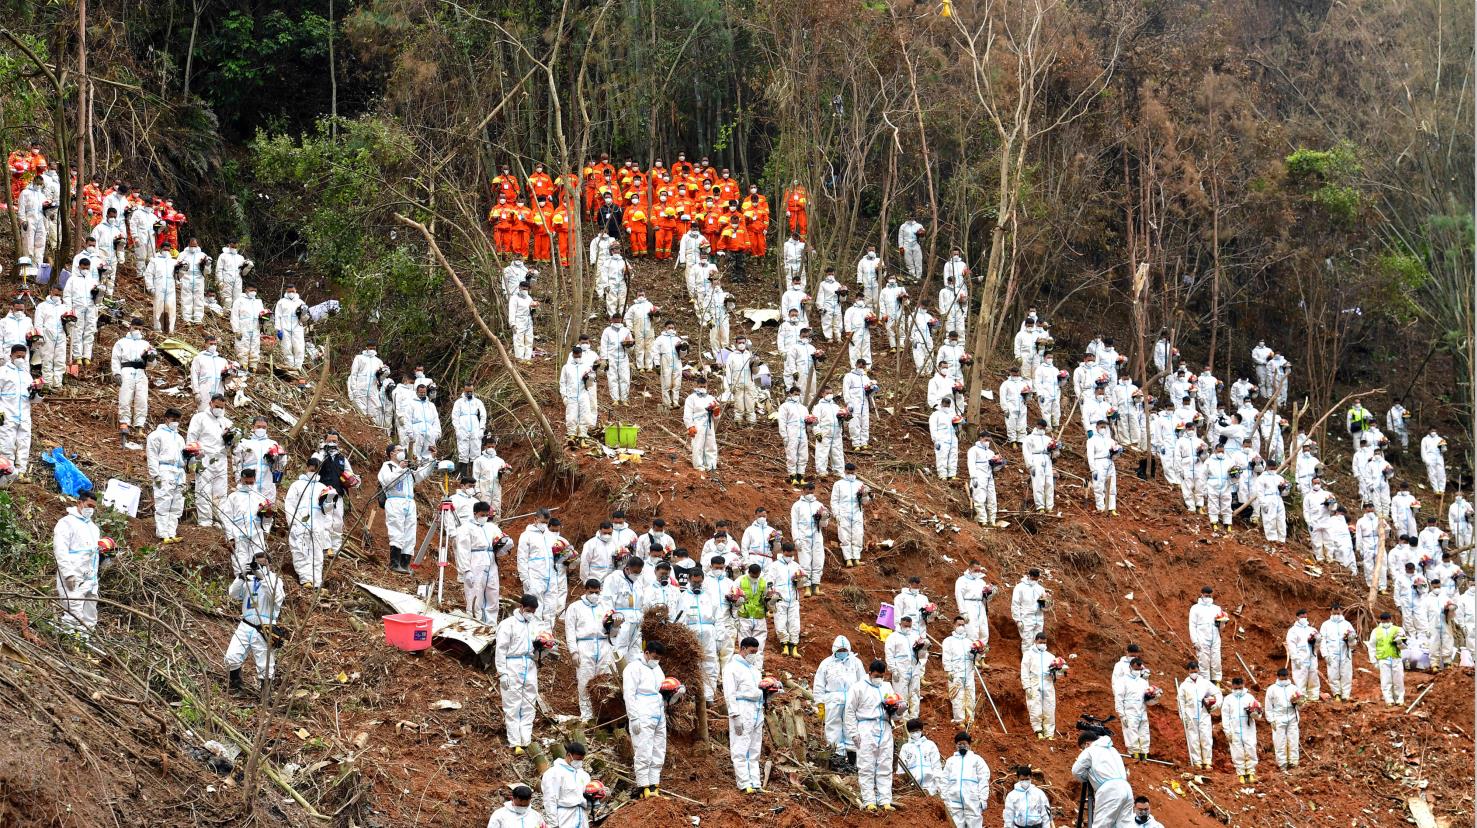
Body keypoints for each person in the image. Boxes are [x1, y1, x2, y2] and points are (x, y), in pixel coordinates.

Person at [225, 550, 285, 694]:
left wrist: (263, 577)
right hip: (245, 624)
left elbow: (276, 598)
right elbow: (233, 594)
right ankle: (236, 686)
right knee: (231, 657)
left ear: (269, 565)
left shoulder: (275, 580)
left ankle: (265, 695)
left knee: (265, 665)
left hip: (264, 626)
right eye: (256, 564)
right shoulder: (249, 581)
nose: (259, 567)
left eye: (263, 564)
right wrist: (241, 577)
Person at [624, 639, 677, 798]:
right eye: (654, 656)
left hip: (658, 713)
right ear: (646, 653)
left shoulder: (657, 669)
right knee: (643, 751)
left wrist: (674, 694)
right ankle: (643, 786)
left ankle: (654, 785)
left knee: (658, 750)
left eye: (659, 658)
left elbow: (661, 692)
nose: (656, 660)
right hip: (642, 714)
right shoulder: (633, 668)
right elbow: (629, 694)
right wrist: (633, 717)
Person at [844, 658, 897, 812]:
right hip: (866, 727)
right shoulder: (858, 688)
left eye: (881, 676)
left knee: (885, 764)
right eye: (876, 675)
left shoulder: (887, 687)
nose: (878, 679)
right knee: (866, 765)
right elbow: (849, 711)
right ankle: (869, 801)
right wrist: (853, 732)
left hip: (885, 726)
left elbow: (893, 709)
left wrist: (897, 711)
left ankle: (885, 800)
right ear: (869, 673)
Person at [494, 595, 542, 754]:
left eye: (533, 611)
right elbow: (500, 650)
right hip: (512, 664)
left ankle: (526, 739)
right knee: (512, 704)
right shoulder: (508, 625)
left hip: (529, 664)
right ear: (521, 607)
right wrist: (502, 673)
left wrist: (543, 648)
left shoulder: (534, 625)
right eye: (528, 610)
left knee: (529, 703)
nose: (530, 614)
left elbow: (537, 652)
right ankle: (515, 742)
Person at [378, 443, 436, 574]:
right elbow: (387, 481)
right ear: (392, 453)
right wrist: (400, 468)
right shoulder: (387, 466)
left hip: (409, 502)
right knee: (396, 531)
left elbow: (420, 475)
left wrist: (431, 459)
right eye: (398, 450)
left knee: (410, 534)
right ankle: (394, 563)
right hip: (395, 500)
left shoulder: (408, 469)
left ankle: (405, 564)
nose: (402, 452)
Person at [53, 491, 102, 637]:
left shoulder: (93, 528)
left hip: (90, 578)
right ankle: (68, 643)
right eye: (89, 505)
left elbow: (92, 554)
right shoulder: (66, 523)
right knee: (73, 612)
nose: (91, 509)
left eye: (93, 507)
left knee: (90, 614)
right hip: (73, 576)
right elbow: (60, 550)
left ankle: (84, 643)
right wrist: (68, 574)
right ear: (79, 503)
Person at [814, 636, 866, 771]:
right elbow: (819, 684)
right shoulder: (826, 664)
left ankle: (853, 760)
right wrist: (820, 703)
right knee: (833, 729)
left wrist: (862, 701)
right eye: (840, 650)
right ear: (834, 650)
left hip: (852, 700)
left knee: (851, 729)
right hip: (833, 701)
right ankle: (837, 760)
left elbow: (862, 682)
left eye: (844, 650)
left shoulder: (856, 663)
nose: (842, 652)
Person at [723, 636, 767, 792]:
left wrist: (770, 693)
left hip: (756, 709)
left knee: (754, 748)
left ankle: (755, 782)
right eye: (751, 651)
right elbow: (729, 693)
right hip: (742, 709)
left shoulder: (754, 670)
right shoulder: (732, 668)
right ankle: (744, 783)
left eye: (756, 652)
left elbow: (759, 691)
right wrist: (735, 715)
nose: (754, 655)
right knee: (740, 747)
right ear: (742, 649)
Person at [283, 457, 334, 588]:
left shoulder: (323, 488)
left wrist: (329, 500)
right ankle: (306, 578)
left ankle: (317, 581)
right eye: (311, 467)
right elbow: (289, 505)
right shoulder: (297, 485)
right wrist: (293, 522)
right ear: (307, 467)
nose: (313, 470)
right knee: (300, 551)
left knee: (317, 553)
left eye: (315, 467)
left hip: (317, 524)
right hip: (301, 523)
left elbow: (327, 510)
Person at [1071, 728, 1133, 827]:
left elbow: (1076, 771)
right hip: (1126, 789)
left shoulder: (1090, 750)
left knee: (1101, 824)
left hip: (1110, 790)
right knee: (1124, 824)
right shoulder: (1113, 750)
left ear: (1086, 744)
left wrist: (1087, 777)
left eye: (1082, 748)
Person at [144, 408, 187, 543]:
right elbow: (152, 456)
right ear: (166, 419)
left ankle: (172, 532)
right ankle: (163, 533)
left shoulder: (179, 438)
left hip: (179, 471)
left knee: (177, 504)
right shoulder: (156, 435)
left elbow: (184, 458)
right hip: (164, 470)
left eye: (178, 421)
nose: (176, 423)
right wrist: (155, 475)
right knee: (164, 501)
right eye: (174, 420)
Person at [111, 318, 152, 450]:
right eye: (136, 328)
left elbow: (151, 364)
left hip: (141, 371)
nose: (138, 331)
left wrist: (151, 358)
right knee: (125, 398)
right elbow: (115, 358)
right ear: (130, 327)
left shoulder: (145, 344)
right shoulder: (121, 343)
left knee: (141, 399)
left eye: (140, 329)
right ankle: (124, 422)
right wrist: (116, 373)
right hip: (126, 370)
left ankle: (139, 425)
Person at [939, 732, 991, 828]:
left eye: (964, 744)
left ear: (969, 744)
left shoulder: (977, 760)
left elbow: (983, 779)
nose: (962, 746)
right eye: (959, 744)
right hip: (954, 801)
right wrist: (944, 798)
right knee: (956, 824)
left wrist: (983, 799)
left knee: (974, 824)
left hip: (972, 800)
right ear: (956, 745)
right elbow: (944, 780)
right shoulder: (951, 761)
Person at [1177, 659, 1221, 770]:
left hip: (1204, 714)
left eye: (1195, 671)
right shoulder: (1184, 685)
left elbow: (1217, 693)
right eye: (1191, 671)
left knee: (1206, 737)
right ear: (1188, 671)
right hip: (1190, 715)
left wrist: (1216, 704)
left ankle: (1207, 761)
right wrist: (1183, 716)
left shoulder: (1205, 683)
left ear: (1198, 670)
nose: (1194, 673)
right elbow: (1180, 702)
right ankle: (1197, 761)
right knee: (1193, 738)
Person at [763, 543, 803, 658]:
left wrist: (799, 580)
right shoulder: (774, 566)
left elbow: (801, 581)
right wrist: (772, 595)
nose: (789, 556)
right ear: (783, 552)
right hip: (780, 599)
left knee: (794, 623)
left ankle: (794, 647)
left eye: (791, 555)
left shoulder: (796, 565)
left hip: (793, 599)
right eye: (787, 554)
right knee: (780, 623)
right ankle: (784, 645)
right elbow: (769, 581)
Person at [540, 742, 593, 828]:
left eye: (581, 760)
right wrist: (554, 824)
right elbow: (550, 799)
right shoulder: (554, 773)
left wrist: (598, 798)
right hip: (564, 816)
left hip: (582, 816)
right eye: (577, 759)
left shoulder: (583, 774)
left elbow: (587, 797)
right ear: (569, 755)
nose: (579, 762)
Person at [1219, 677, 1260, 782]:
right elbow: (1225, 716)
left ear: (1244, 685)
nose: (1238, 690)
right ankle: (1241, 773)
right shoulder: (1228, 699)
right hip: (1235, 729)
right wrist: (1227, 731)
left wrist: (1255, 714)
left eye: (1240, 688)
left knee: (1250, 748)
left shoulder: (1249, 697)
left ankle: (1251, 772)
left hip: (1248, 728)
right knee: (1237, 751)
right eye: (1236, 688)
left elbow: (1258, 712)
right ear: (1232, 686)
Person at [791, 482, 828, 595]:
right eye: (808, 491)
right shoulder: (797, 505)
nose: (810, 493)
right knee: (805, 562)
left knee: (818, 560)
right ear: (803, 490)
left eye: (812, 491)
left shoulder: (819, 505)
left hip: (816, 536)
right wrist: (796, 539)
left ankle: (816, 586)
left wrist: (823, 517)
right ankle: (807, 587)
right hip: (803, 537)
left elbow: (824, 524)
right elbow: (794, 523)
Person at [1021, 633, 1061, 739]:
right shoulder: (1028, 654)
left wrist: (1060, 670)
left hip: (1048, 683)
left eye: (1044, 642)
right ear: (1035, 641)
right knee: (1035, 707)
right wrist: (1027, 686)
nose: (1042, 644)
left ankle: (1049, 733)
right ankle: (1038, 730)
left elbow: (1057, 675)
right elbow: (1024, 671)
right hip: (1034, 683)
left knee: (1049, 708)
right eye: (1040, 642)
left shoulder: (1050, 656)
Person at [63, 257, 100, 369]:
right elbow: (67, 295)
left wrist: (96, 296)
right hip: (77, 308)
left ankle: (87, 355)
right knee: (77, 331)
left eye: (87, 268)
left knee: (89, 330)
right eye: (83, 268)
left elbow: (98, 298)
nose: (85, 270)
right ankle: (77, 355)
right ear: (79, 267)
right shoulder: (72, 280)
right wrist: (69, 310)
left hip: (90, 307)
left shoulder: (93, 281)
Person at [1265, 667, 1301, 771]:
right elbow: (1268, 706)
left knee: (1293, 740)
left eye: (1285, 677)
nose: (1284, 679)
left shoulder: (1293, 688)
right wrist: (1271, 719)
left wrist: (1297, 702)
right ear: (1278, 677)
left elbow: (1300, 704)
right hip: (1279, 717)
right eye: (1282, 677)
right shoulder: (1272, 689)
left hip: (1292, 716)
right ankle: (1282, 764)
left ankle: (1293, 762)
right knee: (1279, 741)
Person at [34, 284, 68, 389]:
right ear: (51, 292)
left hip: (61, 336)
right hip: (47, 336)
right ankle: (47, 384)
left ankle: (57, 384)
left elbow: (70, 323)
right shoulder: (42, 306)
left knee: (60, 360)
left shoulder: (64, 307)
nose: (57, 296)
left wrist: (69, 324)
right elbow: (38, 323)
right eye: (55, 294)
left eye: (59, 294)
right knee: (47, 359)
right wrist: (39, 337)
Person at [1188, 585, 1224, 684]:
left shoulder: (1216, 608)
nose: (1207, 597)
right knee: (1204, 662)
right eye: (1206, 595)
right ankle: (1205, 683)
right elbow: (1192, 625)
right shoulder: (1195, 608)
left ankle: (1216, 683)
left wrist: (1223, 622)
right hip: (1202, 638)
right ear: (1202, 594)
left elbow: (1221, 626)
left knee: (1216, 662)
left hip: (1215, 638)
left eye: (1209, 595)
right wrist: (1195, 641)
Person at [683, 377, 720, 471]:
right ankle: (698, 465)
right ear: (696, 386)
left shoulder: (711, 398)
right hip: (698, 423)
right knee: (698, 444)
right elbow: (687, 413)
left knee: (711, 444)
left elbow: (716, 416)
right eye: (700, 386)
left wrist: (716, 413)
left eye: (704, 386)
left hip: (709, 423)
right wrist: (690, 426)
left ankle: (711, 465)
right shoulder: (691, 398)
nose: (702, 388)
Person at [450, 383, 487, 470]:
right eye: (467, 391)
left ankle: (475, 475)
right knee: (463, 452)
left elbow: (483, 415)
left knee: (476, 451)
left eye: (471, 391)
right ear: (464, 391)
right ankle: (463, 476)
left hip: (475, 428)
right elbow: (455, 417)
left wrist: (481, 428)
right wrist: (457, 429)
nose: (469, 393)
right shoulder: (459, 402)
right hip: (463, 428)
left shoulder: (478, 402)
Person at [1285, 609, 1320, 699]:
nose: (1304, 618)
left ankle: (1314, 696)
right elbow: (1291, 644)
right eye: (1302, 617)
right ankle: (1302, 698)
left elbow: (1318, 645)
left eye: (1305, 616)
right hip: (1300, 658)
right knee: (1300, 677)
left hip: (1312, 656)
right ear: (1297, 617)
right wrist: (1295, 658)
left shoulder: (1312, 630)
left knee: (1313, 676)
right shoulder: (1293, 631)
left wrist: (1316, 640)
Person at [778, 386, 810, 485]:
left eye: (798, 394)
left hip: (802, 432)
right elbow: (782, 421)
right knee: (792, 455)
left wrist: (811, 425)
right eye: (795, 394)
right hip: (791, 432)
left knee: (803, 455)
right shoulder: (785, 406)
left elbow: (807, 421)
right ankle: (793, 476)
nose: (797, 396)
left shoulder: (803, 408)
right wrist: (784, 435)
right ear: (790, 394)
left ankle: (801, 477)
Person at [1021, 420, 1055, 512]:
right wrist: (1030, 465)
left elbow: (1055, 454)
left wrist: (1053, 449)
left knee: (1049, 484)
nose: (1042, 428)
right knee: (1038, 484)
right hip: (1036, 459)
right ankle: (1040, 507)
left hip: (1047, 459)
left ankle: (1049, 506)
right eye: (1041, 426)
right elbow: (1026, 452)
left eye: (1044, 427)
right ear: (1037, 426)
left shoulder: (1047, 438)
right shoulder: (1029, 438)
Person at [1010, 568, 1047, 651]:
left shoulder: (1040, 588)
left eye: (1036, 579)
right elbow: (1015, 604)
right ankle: (1027, 662)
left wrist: (1045, 603)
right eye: (1033, 579)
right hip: (1026, 618)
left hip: (1039, 618)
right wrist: (1018, 620)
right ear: (1029, 576)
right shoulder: (1020, 587)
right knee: (1027, 642)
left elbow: (1043, 606)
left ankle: (1036, 662)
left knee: (1038, 641)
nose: (1035, 581)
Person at [231, 285, 265, 371]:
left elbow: (262, 316)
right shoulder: (239, 301)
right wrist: (236, 330)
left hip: (255, 327)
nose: (253, 292)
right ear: (246, 290)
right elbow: (234, 316)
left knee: (255, 346)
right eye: (251, 290)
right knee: (242, 345)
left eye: (255, 290)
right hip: (243, 327)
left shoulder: (258, 302)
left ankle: (253, 366)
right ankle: (243, 365)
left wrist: (263, 323)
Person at [274, 285, 307, 370]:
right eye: (289, 291)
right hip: (285, 327)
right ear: (286, 291)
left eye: (292, 291)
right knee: (286, 348)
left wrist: (304, 314)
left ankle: (298, 367)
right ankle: (290, 367)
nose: (291, 293)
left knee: (299, 347)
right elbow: (277, 316)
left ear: (296, 291)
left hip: (297, 327)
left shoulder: (301, 302)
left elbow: (305, 318)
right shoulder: (281, 302)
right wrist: (278, 329)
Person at [929, 397, 961, 479]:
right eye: (945, 403)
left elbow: (956, 425)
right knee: (942, 457)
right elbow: (933, 428)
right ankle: (942, 475)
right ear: (941, 403)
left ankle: (952, 474)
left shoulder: (952, 414)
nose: (946, 405)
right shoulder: (936, 414)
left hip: (952, 438)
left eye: (948, 404)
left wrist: (959, 423)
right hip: (942, 439)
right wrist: (935, 440)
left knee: (953, 456)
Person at [508, 282, 536, 361]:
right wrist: (512, 323)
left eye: (526, 289)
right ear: (519, 288)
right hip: (518, 320)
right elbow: (512, 311)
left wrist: (534, 307)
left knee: (529, 340)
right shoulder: (514, 298)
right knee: (518, 340)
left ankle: (527, 358)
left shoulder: (529, 298)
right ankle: (519, 358)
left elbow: (532, 310)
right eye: (523, 288)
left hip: (528, 320)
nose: (525, 290)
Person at [1420, 428, 1447, 493]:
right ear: (1429, 431)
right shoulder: (1425, 439)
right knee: (1432, 473)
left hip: (1439, 456)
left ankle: (1442, 489)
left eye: (1434, 431)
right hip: (1430, 456)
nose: (1433, 432)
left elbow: (1444, 450)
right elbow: (1423, 450)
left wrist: (1443, 448)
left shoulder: (1440, 439)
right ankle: (1436, 489)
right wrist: (1425, 459)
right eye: (1432, 431)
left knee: (1441, 473)